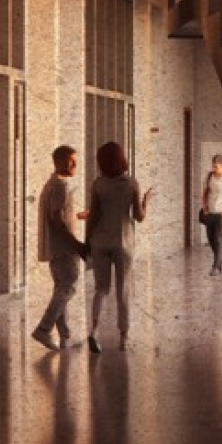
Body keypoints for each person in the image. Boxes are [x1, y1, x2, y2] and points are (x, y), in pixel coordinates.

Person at [83, 142, 149, 352]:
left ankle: (94, 331)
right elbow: (139, 216)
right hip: (123, 240)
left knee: (101, 289)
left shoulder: (97, 184)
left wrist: (87, 241)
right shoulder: (131, 183)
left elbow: (93, 215)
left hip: (100, 240)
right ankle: (123, 338)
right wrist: (146, 201)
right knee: (123, 290)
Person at [32, 144, 85, 351]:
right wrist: (76, 244)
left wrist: (77, 216)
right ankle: (43, 329)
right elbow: (56, 219)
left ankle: (65, 335)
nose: (75, 165)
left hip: (55, 248)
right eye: (71, 161)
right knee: (68, 287)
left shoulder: (51, 184)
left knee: (61, 288)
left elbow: (59, 215)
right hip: (64, 248)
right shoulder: (61, 186)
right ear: (60, 162)